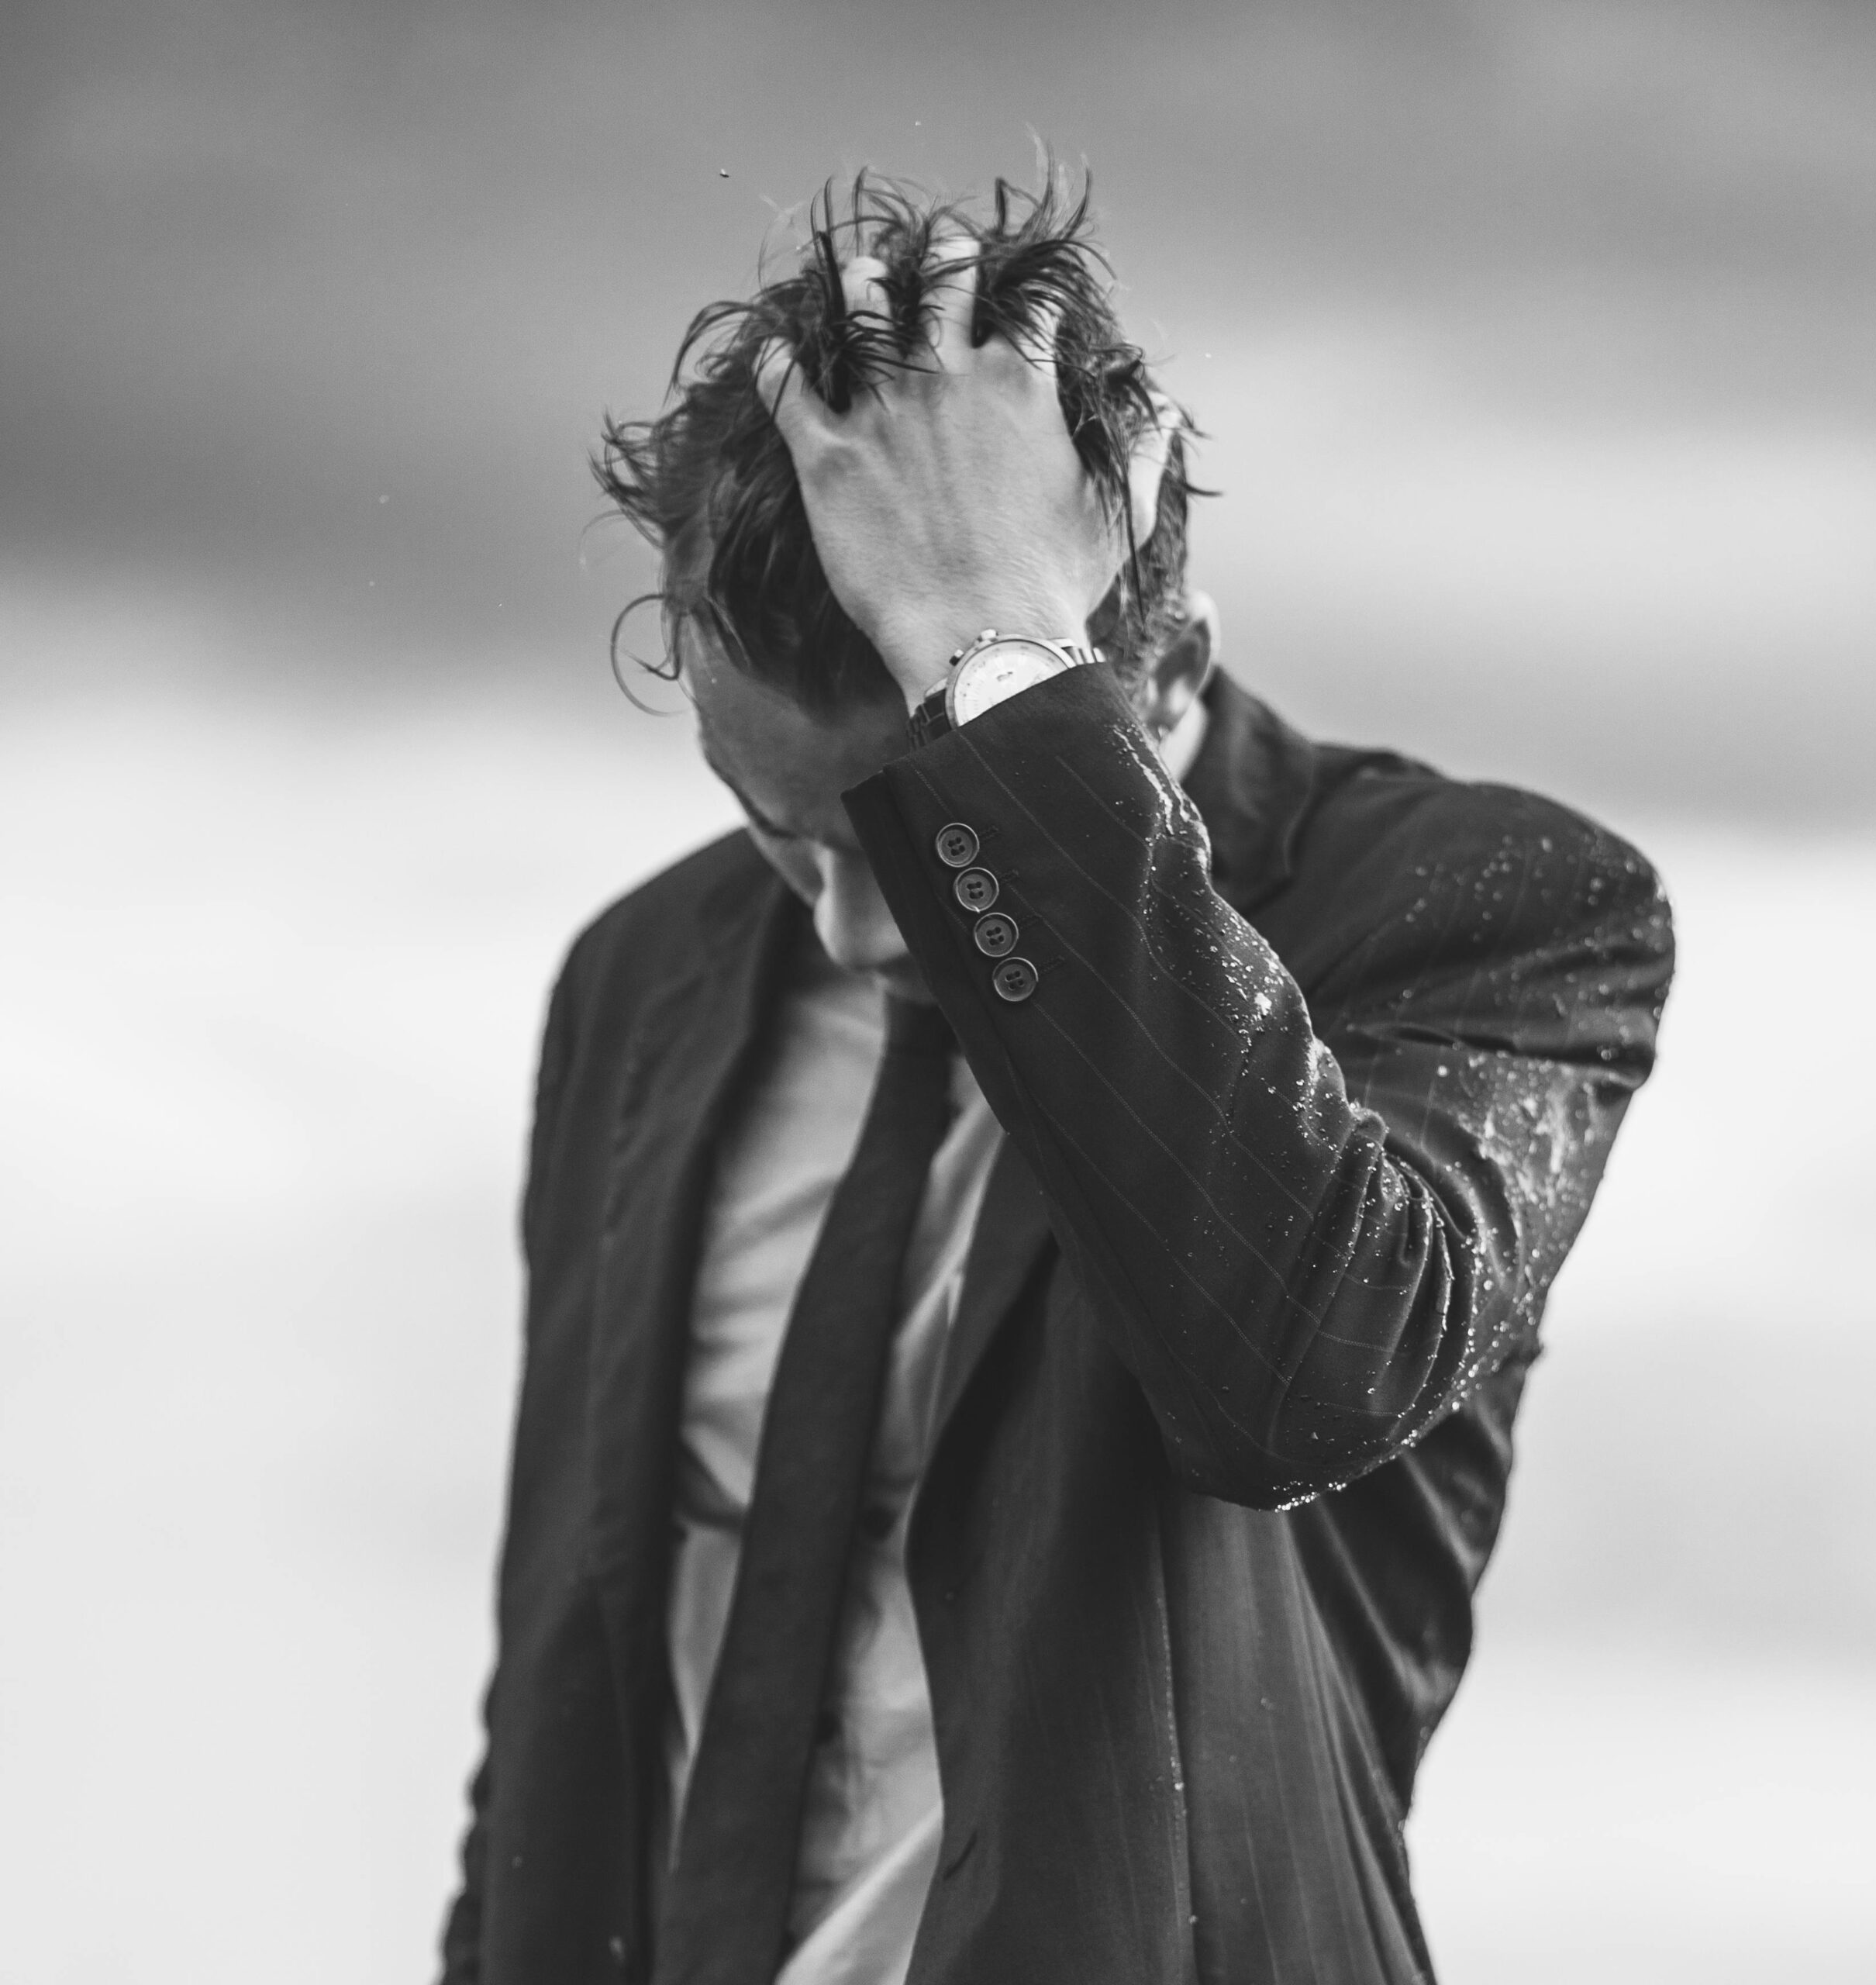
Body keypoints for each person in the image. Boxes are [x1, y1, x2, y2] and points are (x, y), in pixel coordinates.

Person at [438, 174, 1673, 1985]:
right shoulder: (643, 977)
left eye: (902, 830)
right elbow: (564, 1659)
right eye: (778, 828)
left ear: (1150, 650)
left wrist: (995, 682)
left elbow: (1296, 1372)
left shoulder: (1490, 913)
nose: (856, 931)